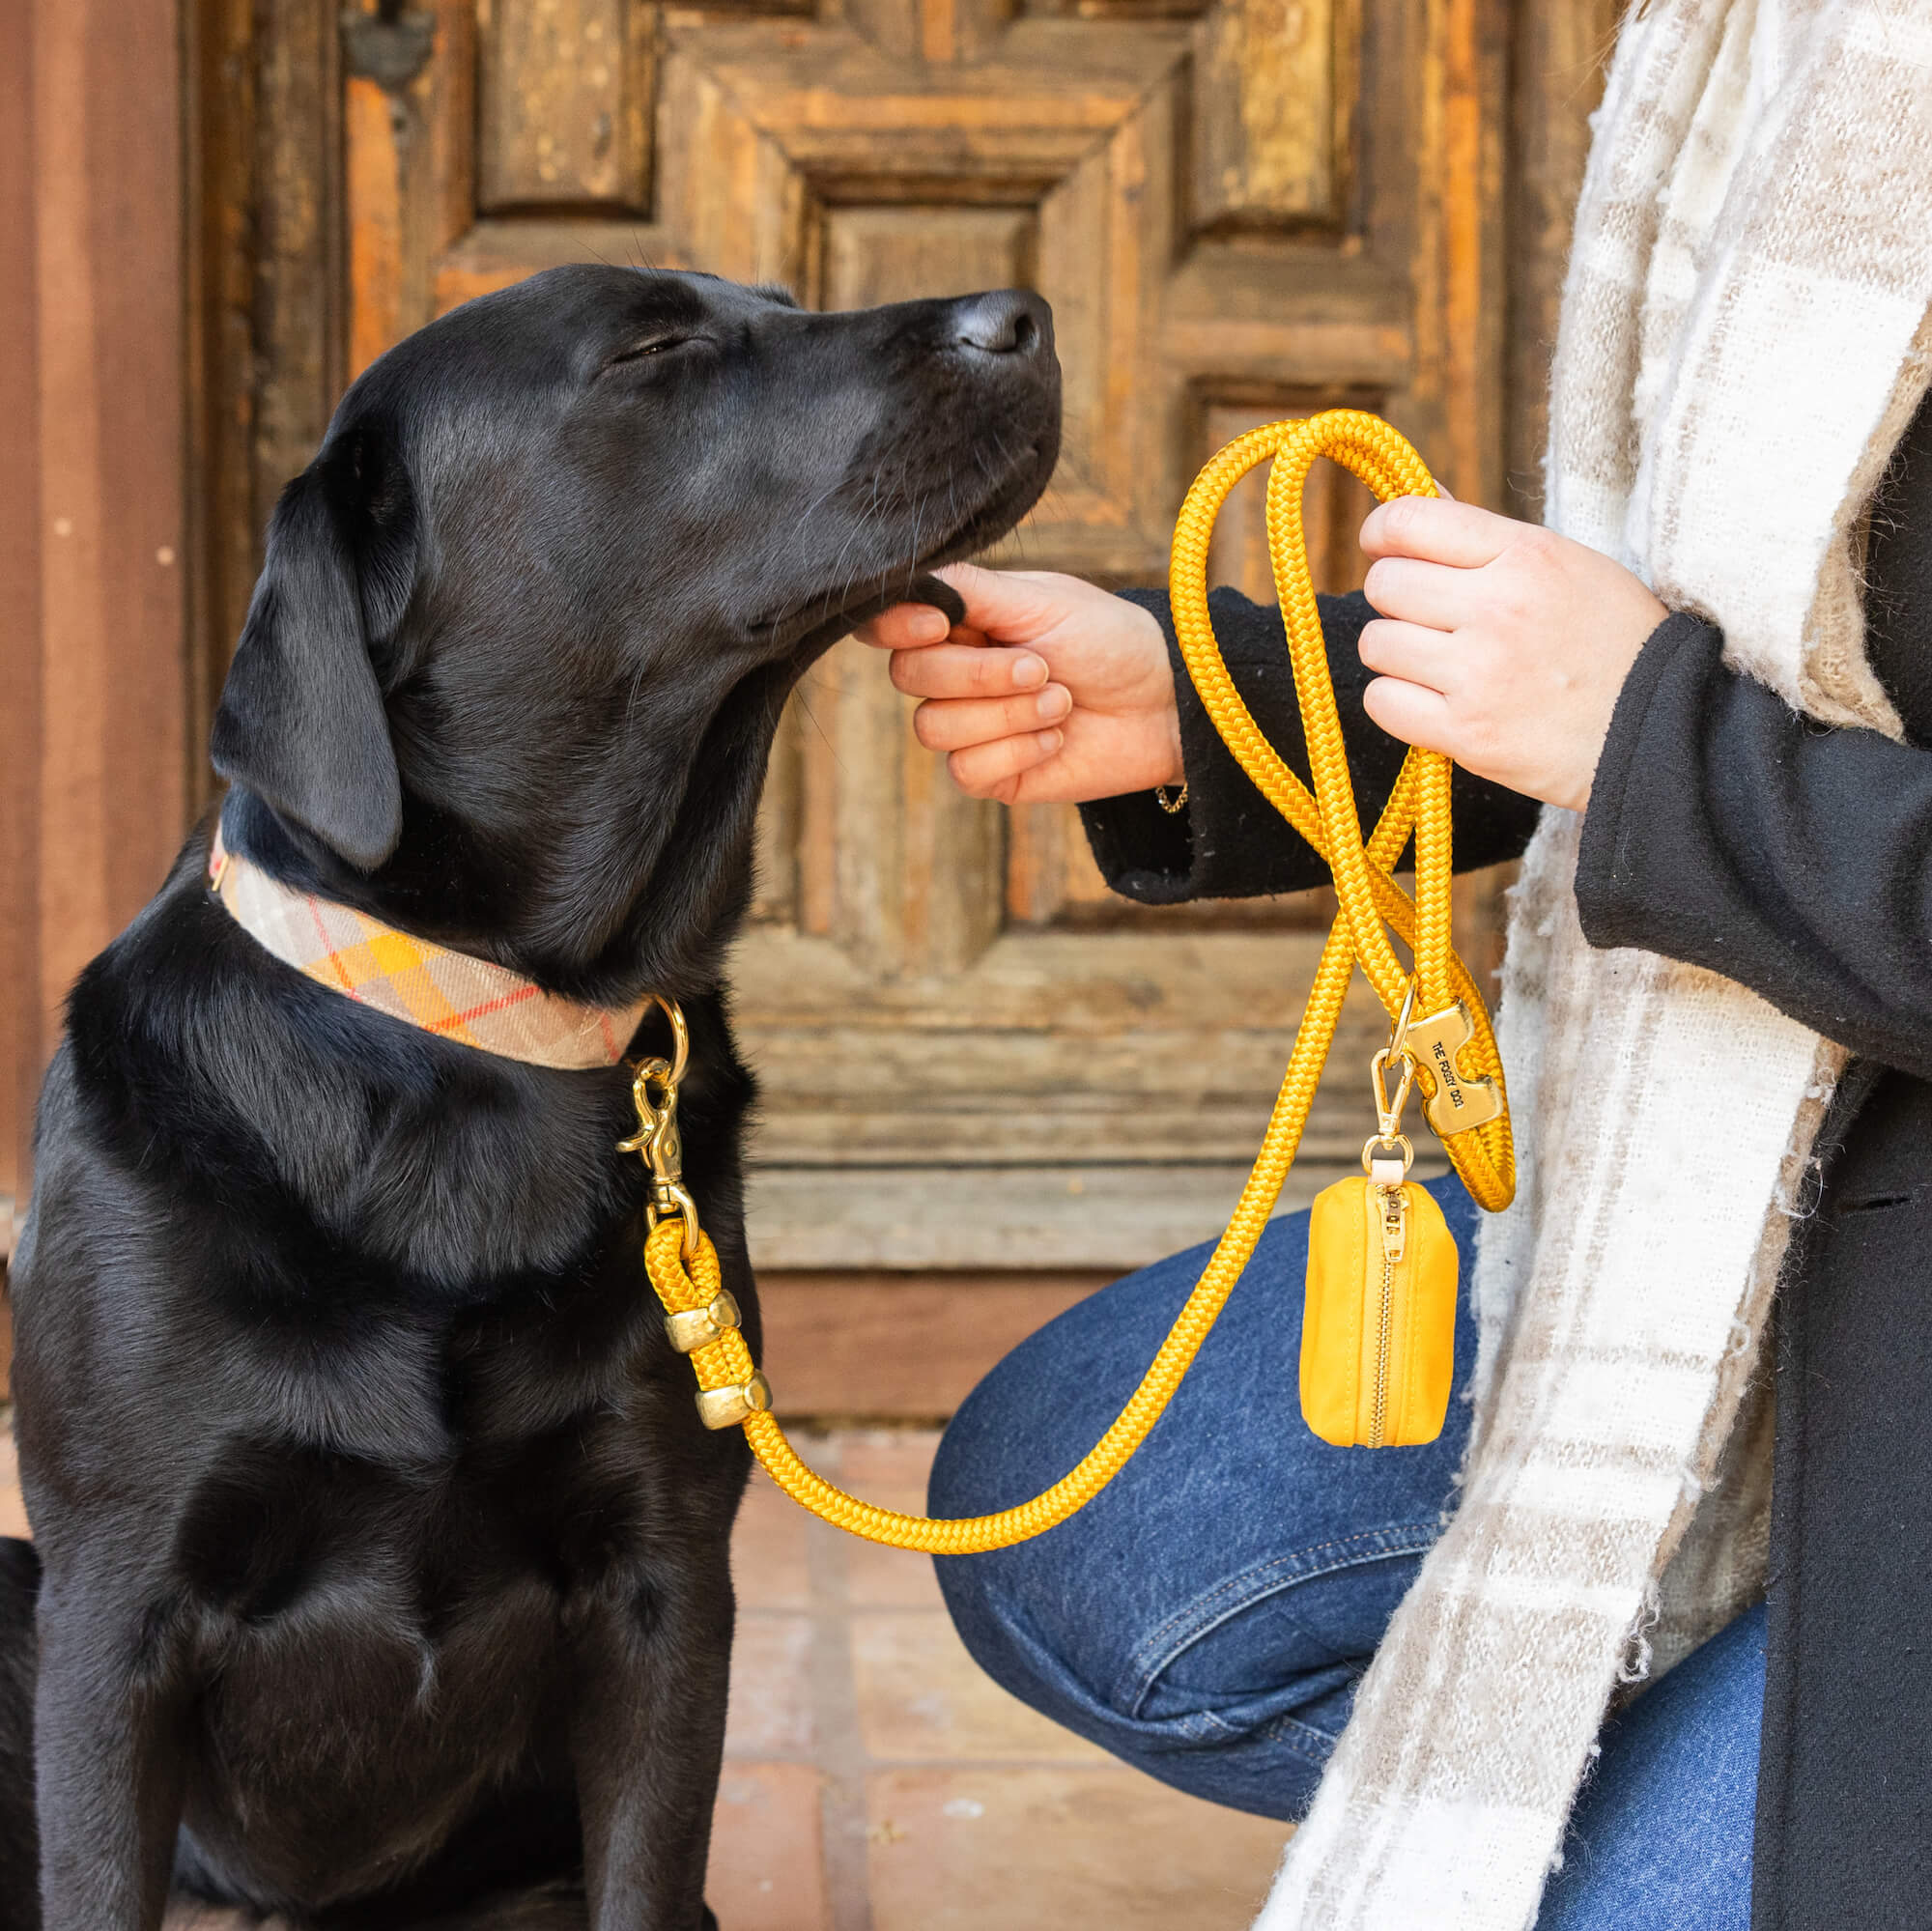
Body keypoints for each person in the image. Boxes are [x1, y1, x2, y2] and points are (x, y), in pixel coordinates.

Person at [856, 9, 1932, 1924]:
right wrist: (1230, 706)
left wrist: (1659, 750)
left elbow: (1668, 713)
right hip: (1786, 1164)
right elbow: (1792, 654)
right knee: (1089, 1532)